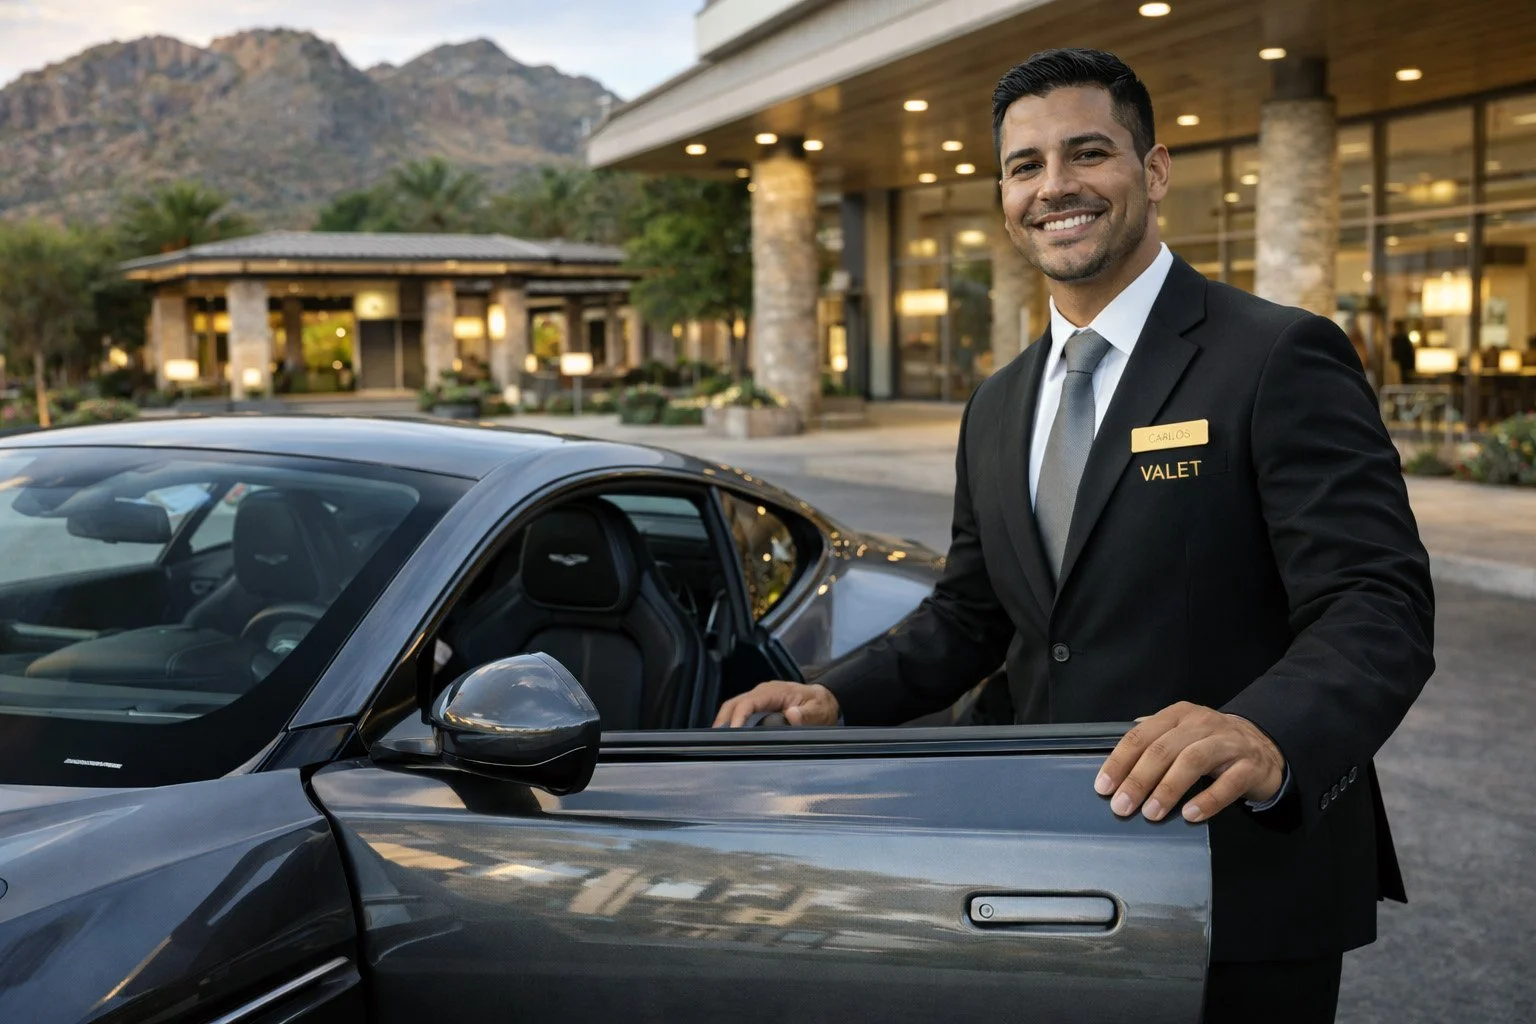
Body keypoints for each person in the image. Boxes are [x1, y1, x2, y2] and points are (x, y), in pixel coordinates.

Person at [715, 48, 1434, 1023]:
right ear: (1006, 196)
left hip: (1237, 879)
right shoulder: (997, 403)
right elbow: (971, 614)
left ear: (1155, 170)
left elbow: (1377, 602)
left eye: (1087, 153)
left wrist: (1268, 728)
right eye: (1026, 165)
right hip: (1043, 870)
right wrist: (834, 696)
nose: (1055, 186)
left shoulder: (1277, 354)